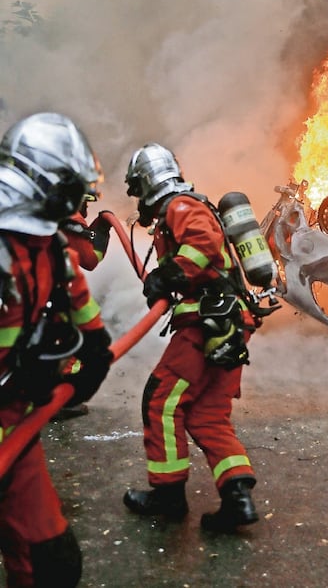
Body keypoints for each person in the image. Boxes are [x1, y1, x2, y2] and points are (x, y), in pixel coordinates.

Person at [122, 142, 262, 533]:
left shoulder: (180, 207)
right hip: (229, 325)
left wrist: (169, 276)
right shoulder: (180, 210)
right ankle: (237, 499)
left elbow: (203, 245)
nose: (138, 202)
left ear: (146, 183)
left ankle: (167, 497)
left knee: (161, 400)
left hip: (206, 326)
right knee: (207, 415)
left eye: (137, 190)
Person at [0, 112, 113, 586]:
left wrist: (96, 349)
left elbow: (75, 289)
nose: (77, 201)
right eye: (71, 190)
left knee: (52, 561)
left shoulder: (47, 243)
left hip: (14, 425)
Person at [55, 197, 112, 420]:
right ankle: (64, 401)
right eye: (87, 201)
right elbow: (89, 260)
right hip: (55, 290)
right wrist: (103, 231)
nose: (87, 208)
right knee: (73, 339)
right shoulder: (71, 218)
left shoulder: (46, 211)